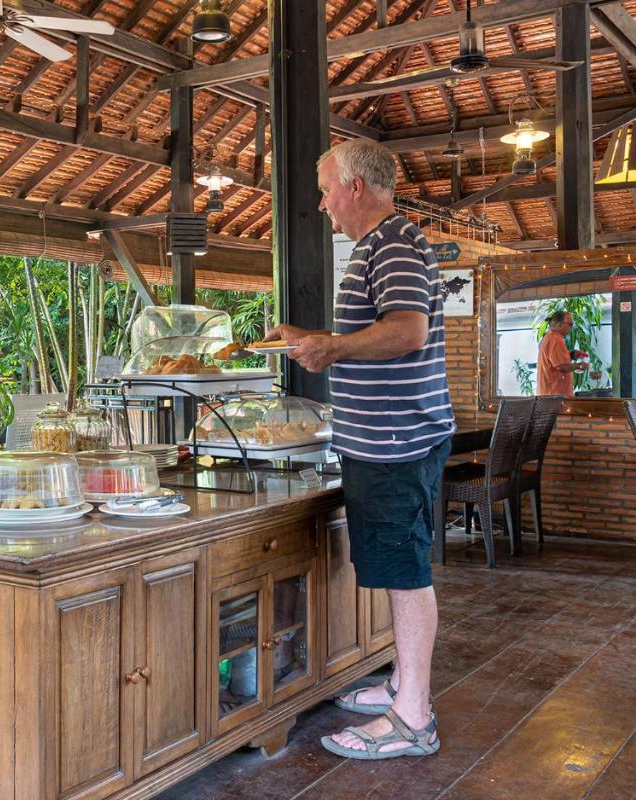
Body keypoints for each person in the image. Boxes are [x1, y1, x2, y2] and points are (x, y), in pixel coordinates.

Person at [264, 139, 455, 761]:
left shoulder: (394, 242)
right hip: (387, 438)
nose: (321, 204)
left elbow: (406, 330)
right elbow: (381, 328)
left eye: (324, 190)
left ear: (354, 188)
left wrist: (333, 349)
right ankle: (404, 683)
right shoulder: (380, 246)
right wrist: (314, 339)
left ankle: (412, 719)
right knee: (399, 567)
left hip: (396, 441)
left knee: (404, 574)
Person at [536, 311, 587, 396]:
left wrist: (571, 355)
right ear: (559, 325)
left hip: (549, 393)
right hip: (555, 395)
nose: (572, 327)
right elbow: (561, 366)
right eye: (570, 324)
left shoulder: (549, 337)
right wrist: (580, 365)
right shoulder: (555, 339)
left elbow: (554, 361)